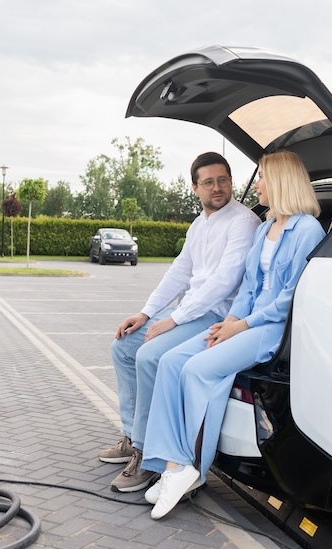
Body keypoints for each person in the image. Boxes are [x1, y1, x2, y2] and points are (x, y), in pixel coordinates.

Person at [140, 150, 326, 518]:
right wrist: (232, 321)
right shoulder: (265, 227)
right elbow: (247, 288)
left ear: (281, 182)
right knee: (172, 360)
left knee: (197, 369)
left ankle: (191, 466)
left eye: (263, 179)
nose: (256, 184)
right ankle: (171, 465)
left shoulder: (307, 230)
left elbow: (291, 297)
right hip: (245, 321)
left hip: (272, 329)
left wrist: (242, 325)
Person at [100, 152, 261, 492]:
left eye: (223, 180)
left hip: (218, 316)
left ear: (231, 181)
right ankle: (132, 434)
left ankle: (147, 456)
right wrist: (146, 313)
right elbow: (179, 272)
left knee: (149, 355)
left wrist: (172, 320)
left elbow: (225, 282)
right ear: (194, 188)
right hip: (190, 311)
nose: (217, 188)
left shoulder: (242, 222)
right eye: (208, 182)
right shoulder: (198, 225)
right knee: (124, 345)